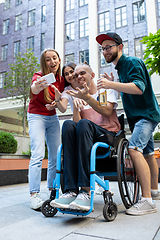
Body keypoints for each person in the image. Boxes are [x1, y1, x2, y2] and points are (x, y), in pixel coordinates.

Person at [96, 31, 160, 215]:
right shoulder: (120, 69)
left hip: (145, 115)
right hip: (140, 117)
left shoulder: (131, 62)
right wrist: (114, 82)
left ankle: (146, 200)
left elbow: (139, 88)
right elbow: (128, 87)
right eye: (103, 48)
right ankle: (154, 191)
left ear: (120, 47)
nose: (105, 51)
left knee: (133, 149)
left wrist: (111, 85)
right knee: (148, 154)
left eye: (109, 47)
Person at [50, 63, 121, 211]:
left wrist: (87, 98)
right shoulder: (78, 95)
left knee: (83, 123)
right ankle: (70, 190)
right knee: (69, 125)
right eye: (76, 75)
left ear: (92, 75)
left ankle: (85, 190)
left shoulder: (102, 90)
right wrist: (76, 105)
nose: (78, 77)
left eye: (82, 73)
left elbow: (107, 111)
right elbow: (76, 127)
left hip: (106, 135)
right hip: (87, 138)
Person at [27, 48, 64, 210]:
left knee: (56, 155)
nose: (52, 62)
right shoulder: (39, 76)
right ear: (44, 62)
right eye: (48, 59)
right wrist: (36, 86)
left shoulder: (61, 80)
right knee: (38, 154)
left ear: (59, 60)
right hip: (36, 116)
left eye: (54, 58)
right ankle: (34, 195)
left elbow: (62, 98)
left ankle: (53, 191)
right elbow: (34, 89)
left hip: (52, 117)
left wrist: (55, 103)